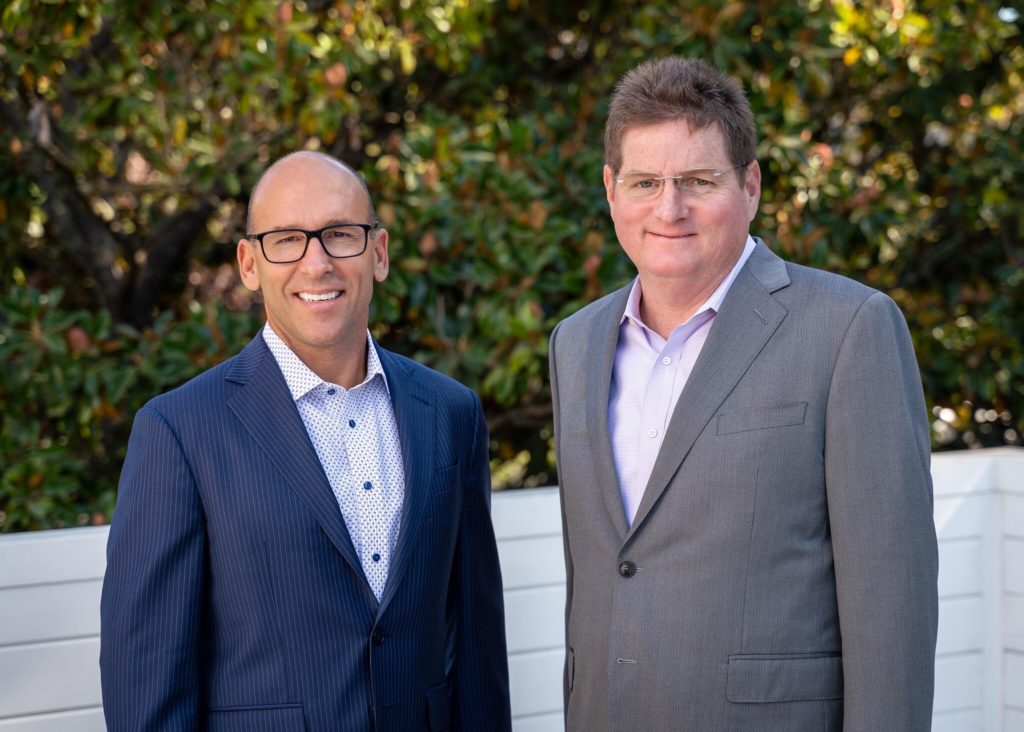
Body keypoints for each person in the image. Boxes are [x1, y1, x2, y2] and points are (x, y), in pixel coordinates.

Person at [549, 57, 938, 731]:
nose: (669, 208)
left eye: (698, 181)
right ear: (611, 190)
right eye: (645, 182)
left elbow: (891, 605)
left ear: (751, 185)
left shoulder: (849, 329)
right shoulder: (575, 343)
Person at [100, 151, 511, 731]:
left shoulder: (450, 413)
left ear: (379, 252)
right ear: (249, 263)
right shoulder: (178, 432)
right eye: (287, 239)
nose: (316, 264)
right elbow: (148, 680)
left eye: (340, 235)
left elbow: (475, 647)